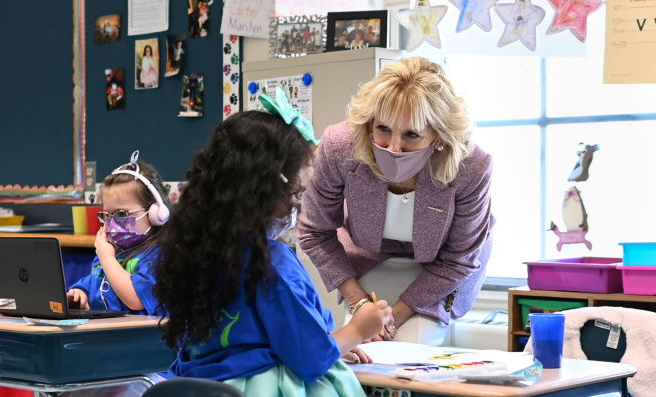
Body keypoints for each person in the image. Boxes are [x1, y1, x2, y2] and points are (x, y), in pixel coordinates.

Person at [153, 100, 392, 395]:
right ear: (269, 190)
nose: (298, 207)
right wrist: (358, 329)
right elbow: (312, 358)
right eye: (297, 194)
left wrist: (334, 342)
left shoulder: (192, 253)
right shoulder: (271, 264)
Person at [298, 57, 494, 346]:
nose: (394, 147)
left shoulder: (470, 166)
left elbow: (459, 258)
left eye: (412, 134)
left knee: (413, 348)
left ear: (438, 135)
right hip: (367, 260)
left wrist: (392, 320)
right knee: (361, 351)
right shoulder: (340, 147)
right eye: (383, 129)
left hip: (440, 270)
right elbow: (315, 232)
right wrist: (359, 303)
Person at [67, 151, 170, 314]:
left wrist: (107, 258)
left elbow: (136, 300)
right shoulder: (112, 250)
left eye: (122, 214)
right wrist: (81, 293)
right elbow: (92, 282)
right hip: (106, 328)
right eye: (107, 214)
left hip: (142, 330)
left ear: (156, 213)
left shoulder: (159, 256)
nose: (112, 222)